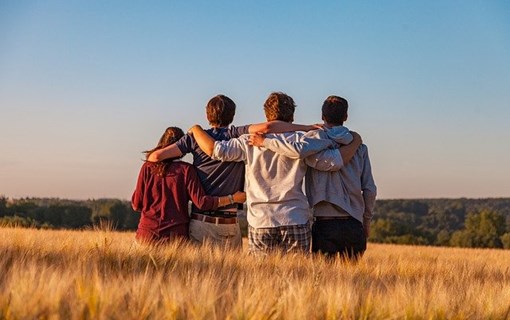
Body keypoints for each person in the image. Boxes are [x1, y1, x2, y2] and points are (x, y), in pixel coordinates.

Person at [189, 92, 362, 256]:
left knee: (262, 279)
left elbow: (216, 150)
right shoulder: (302, 140)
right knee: (297, 279)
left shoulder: (248, 141)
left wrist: (196, 129)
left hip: (261, 220)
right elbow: (331, 161)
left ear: (266, 115)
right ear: (292, 117)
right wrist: (355, 142)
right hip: (295, 217)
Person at [147, 94, 316, 249]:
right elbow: (267, 127)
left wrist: (185, 165)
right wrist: (307, 127)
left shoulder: (193, 138)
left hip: (201, 221)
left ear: (207, 115)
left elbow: (155, 157)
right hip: (230, 222)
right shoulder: (236, 134)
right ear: (233, 115)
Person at [251, 95, 377, 260]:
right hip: (354, 224)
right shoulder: (359, 148)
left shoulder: (311, 143)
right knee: (352, 282)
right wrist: (366, 221)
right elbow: (369, 190)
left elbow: (297, 150)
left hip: (324, 224)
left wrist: (265, 142)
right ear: (346, 117)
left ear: (322, 116)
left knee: (324, 281)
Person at [131, 126, 246, 245]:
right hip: (175, 238)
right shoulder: (186, 170)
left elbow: (136, 204)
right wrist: (232, 198)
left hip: (146, 235)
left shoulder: (147, 167)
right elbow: (202, 202)